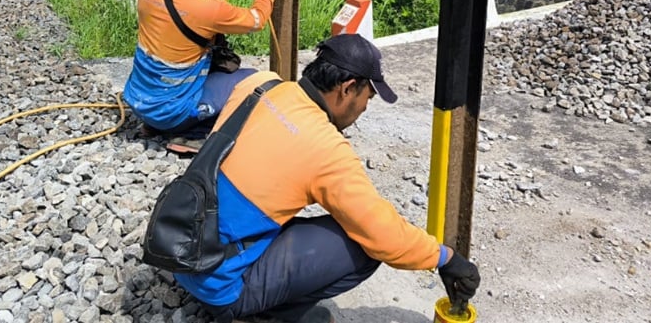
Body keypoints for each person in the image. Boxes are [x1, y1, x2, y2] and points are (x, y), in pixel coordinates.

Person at [171, 33, 481, 323]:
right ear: (347, 88)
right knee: (364, 246)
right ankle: (264, 314)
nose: (363, 108)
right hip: (220, 288)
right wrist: (445, 258)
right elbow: (382, 233)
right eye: (368, 98)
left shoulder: (262, 85)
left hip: (181, 247)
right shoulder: (325, 147)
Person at [123, 0, 289, 139]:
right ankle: (198, 135)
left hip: (139, 101)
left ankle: (154, 125)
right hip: (173, 114)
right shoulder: (208, 9)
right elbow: (257, 19)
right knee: (259, 80)